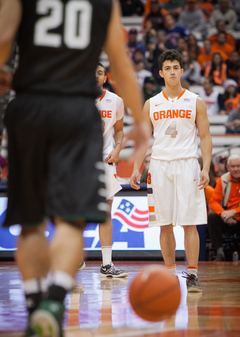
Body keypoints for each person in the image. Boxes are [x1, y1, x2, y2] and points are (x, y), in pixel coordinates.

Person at [0, 1, 151, 336]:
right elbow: (121, 64)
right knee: (72, 220)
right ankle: (55, 302)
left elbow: (3, 39)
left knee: (30, 222)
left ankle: (34, 305)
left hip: (29, 105)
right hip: (76, 109)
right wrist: (141, 122)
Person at [130, 50, 212, 292]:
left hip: (188, 164)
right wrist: (137, 168)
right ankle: (169, 275)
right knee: (164, 224)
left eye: (176, 67)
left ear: (182, 70)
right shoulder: (151, 103)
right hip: (159, 165)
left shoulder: (195, 101)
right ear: (161, 73)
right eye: (168, 68)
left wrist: (206, 167)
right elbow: (143, 141)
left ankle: (193, 274)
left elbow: (205, 137)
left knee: (190, 223)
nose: (173, 71)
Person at [95, 63, 128, 277]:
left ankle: (107, 264)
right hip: (79, 161)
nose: (94, 76)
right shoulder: (74, 99)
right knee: (75, 214)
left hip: (105, 159)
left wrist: (118, 148)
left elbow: (119, 131)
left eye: (99, 72)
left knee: (106, 212)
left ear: (105, 77)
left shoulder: (115, 101)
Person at [208, 154, 240, 261]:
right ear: (228, 168)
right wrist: (223, 213)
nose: (236, 169)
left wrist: (234, 212)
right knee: (212, 217)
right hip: (227, 218)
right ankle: (220, 253)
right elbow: (213, 202)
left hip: (238, 216)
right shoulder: (222, 180)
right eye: (233, 166)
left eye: (238, 166)